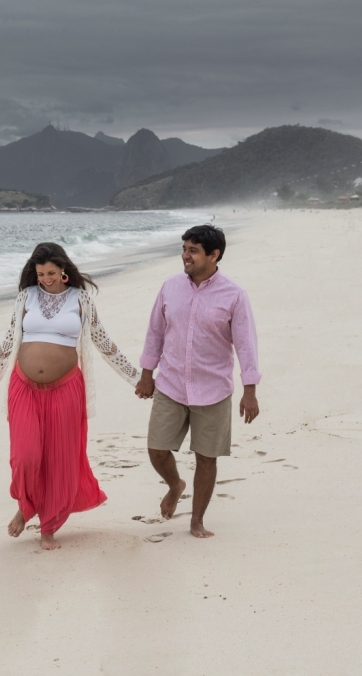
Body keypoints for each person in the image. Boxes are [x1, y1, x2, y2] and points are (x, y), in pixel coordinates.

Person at [0, 243, 140, 550]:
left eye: (51, 273)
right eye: (40, 274)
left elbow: (104, 343)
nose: (46, 279)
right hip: (23, 387)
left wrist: (135, 377)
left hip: (66, 389)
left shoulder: (81, 299)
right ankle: (26, 507)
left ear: (64, 270)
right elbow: (8, 341)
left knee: (60, 461)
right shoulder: (26, 297)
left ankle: (49, 526)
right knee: (26, 457)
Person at [134, 225, 261, 539]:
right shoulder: (170, 287)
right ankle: (175, 485)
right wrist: (147, 374)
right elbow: (155, 332)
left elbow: (246, 344)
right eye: (185, 249)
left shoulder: (234, 295)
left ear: (213, 255)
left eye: (193, 250)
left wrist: (250, 391)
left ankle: (197, 521)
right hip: (171, 384)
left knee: (207, 457)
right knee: (157, 449)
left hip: (214, 389)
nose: (185, 256)